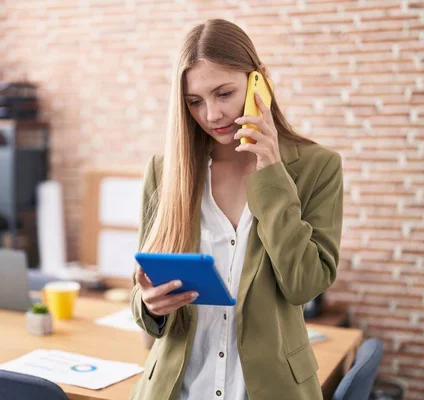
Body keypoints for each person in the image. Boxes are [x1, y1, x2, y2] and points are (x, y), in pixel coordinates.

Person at [130, 19, 343, 400]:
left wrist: (271, 173)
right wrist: (150, 304)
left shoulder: (317, 167)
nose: (211, 115)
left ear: (260, 79)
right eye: (194, 102)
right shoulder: (165, 172)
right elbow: (143, 289)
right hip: (177, 389)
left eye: (224, 93)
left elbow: (304, 285)